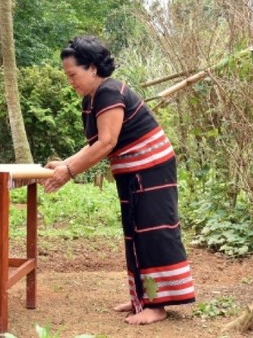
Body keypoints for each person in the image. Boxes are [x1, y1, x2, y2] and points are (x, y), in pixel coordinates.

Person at [42, 36, 195, 325]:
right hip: (133, 171)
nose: (70, 81)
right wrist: (67, 163)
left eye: (73, 75)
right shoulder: (93, 97)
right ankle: (143, 296)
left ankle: (158, 305)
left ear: (92, 69)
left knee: (152, 233)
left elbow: (106, 143)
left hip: (151, 169)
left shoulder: (109, 92)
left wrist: (70, 171)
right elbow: (98, 142)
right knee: (135, 233)